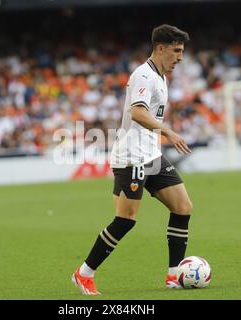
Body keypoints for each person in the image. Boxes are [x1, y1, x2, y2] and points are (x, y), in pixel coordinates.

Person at [72, 24, 192, 295]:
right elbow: (138, 113)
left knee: (183, 207)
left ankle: (174, 275)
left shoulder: (161, 77)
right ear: (160, 48)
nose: (180, 57)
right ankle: (84, 273)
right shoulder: (144, 75)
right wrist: (168, 132)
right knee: (126, 219)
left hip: (151, 154)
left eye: (182, 51)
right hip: (131, 157)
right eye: (176, 51)